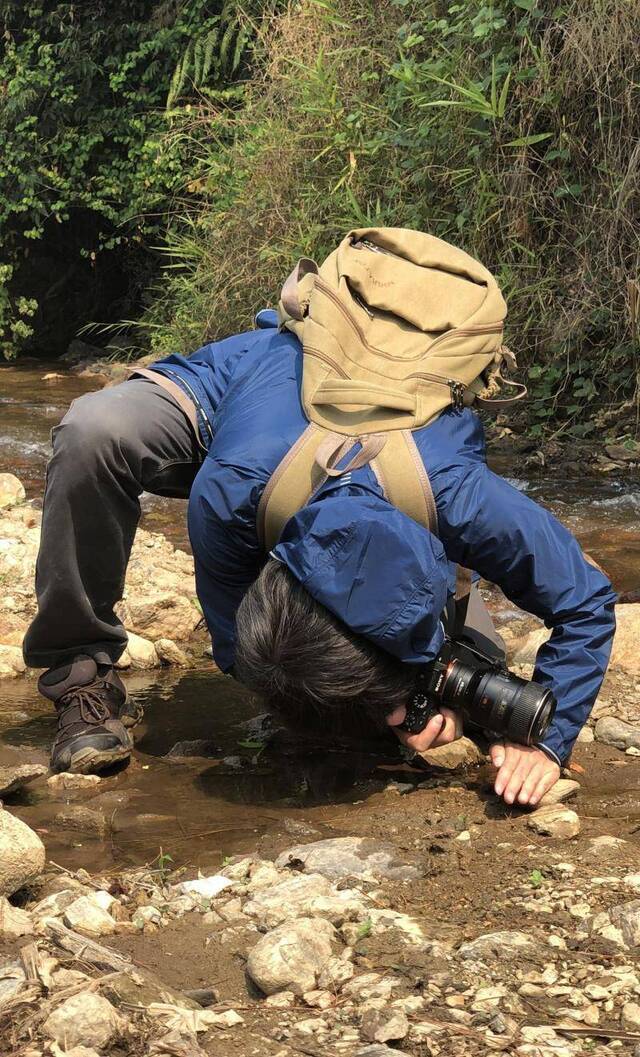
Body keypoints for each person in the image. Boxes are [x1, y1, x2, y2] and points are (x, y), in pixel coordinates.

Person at [24, 245, 617, 806]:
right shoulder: (226, 493)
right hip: (247, 384)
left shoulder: (460, 501)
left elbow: (586, 602)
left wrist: (543, 737)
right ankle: (81, 672)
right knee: (94, 430)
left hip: (400, 425)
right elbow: (239, 649)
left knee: (459, 665)